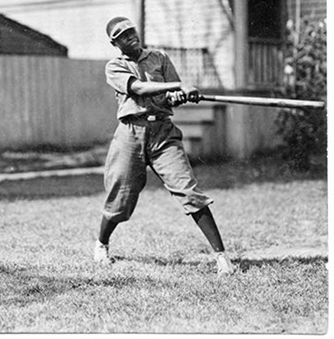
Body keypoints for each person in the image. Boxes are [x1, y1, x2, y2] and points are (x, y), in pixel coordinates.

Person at [94, 17, 236, 276]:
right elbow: (138, 88)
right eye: (122, 35)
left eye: (131, 31)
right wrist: (178, 85)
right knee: (120, 198)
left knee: (189, 191)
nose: (130, 37)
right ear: (114, 43)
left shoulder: (159, 58)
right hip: (130, 134)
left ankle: (222, 257)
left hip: (163, 133)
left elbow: (172, 97)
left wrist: (181, 95)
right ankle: (101, 244)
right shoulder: (114, 66)